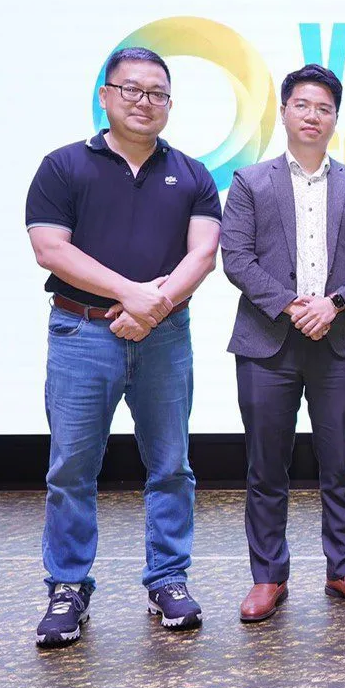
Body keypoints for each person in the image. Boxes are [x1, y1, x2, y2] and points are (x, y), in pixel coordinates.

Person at [25, 47, 221, 647]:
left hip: (165, 337)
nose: (144, 101)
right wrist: (131, 294)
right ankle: (68, 586)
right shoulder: (63, 166)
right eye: (131, 89)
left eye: (157, 93)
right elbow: (50, 249)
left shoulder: (191, 173)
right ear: (105, 95)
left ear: (170, 104)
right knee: (71, 468)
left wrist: (151, 308)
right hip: (80, 334)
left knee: (172, 465)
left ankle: (168, 579)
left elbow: (203, 254)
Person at [221, 64, 345, 622]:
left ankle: (344, 567)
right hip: (266, 343)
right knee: (265, 466)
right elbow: (236, 258)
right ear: (284, 112)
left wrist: (334, 304)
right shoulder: (250, 182)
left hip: (339, 343)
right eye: (302, 105)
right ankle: (268, 576)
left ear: (335, 118)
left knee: (340, 462)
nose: (312, 115)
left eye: (324, 108)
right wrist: (294, 305)